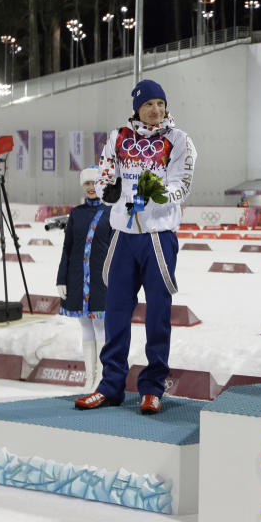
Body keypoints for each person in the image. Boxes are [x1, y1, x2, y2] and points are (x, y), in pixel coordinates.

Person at [75, 80, 197, 415]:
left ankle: (153, 387)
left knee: (158, 315)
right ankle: (110, 385)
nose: (155, 110)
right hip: (123, 236)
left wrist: (159, 194)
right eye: (148, 105)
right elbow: (103, 175)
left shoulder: (178, 139)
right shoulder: (117, 137)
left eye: (160, 103)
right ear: (137, 108)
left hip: (158, 236)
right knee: (115, 313)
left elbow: (182, 185)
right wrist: (107, 190)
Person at [56, 165, 112, 392]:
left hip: (102, 280)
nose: (91, 187)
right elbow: (67, 248)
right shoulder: (76, 213)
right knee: (85, 327)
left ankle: (101, 377)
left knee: (100, 326)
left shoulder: (111, 213)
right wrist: (61, 278)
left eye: (95, 183)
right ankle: (89, 377)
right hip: (78, 278)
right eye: (87, 183)